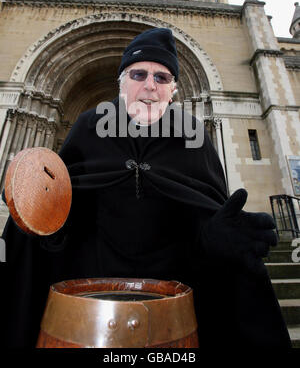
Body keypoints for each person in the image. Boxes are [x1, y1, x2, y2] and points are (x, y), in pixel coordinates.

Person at [1, 28, 291, 349]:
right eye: (139, 73)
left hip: (171, 306)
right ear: (122, 82)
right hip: (90, 300)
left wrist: (215, 237)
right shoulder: (89, 124)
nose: (150, 85)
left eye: (162, 77)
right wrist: (42, 216)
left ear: (174, 90)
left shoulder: (192, 134)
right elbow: (65, 204)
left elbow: (201, 208)